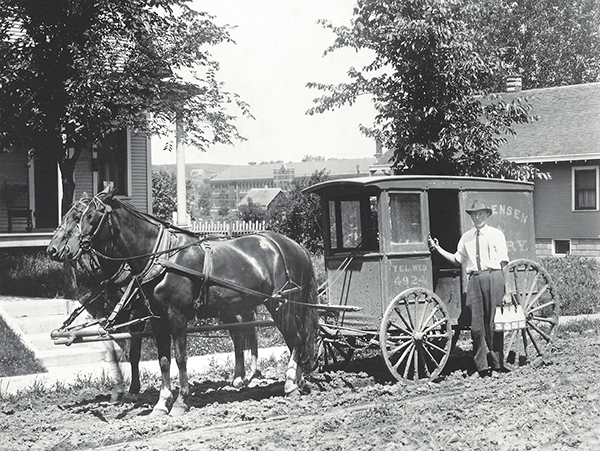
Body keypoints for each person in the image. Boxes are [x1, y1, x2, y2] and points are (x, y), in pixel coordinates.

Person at [428, 199, 509, 378]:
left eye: (480, 213)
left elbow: (504, 263)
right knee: (476, 327)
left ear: (487, 215)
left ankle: (496, 366)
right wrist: (437, 248)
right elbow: (458, 259)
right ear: (471, 217)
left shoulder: (496, 235)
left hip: (493, 277)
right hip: (474, 280)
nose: (477, 217)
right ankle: (481, 367)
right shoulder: (467, 237)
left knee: (493, 324)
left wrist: (507, 291)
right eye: (474, 214)